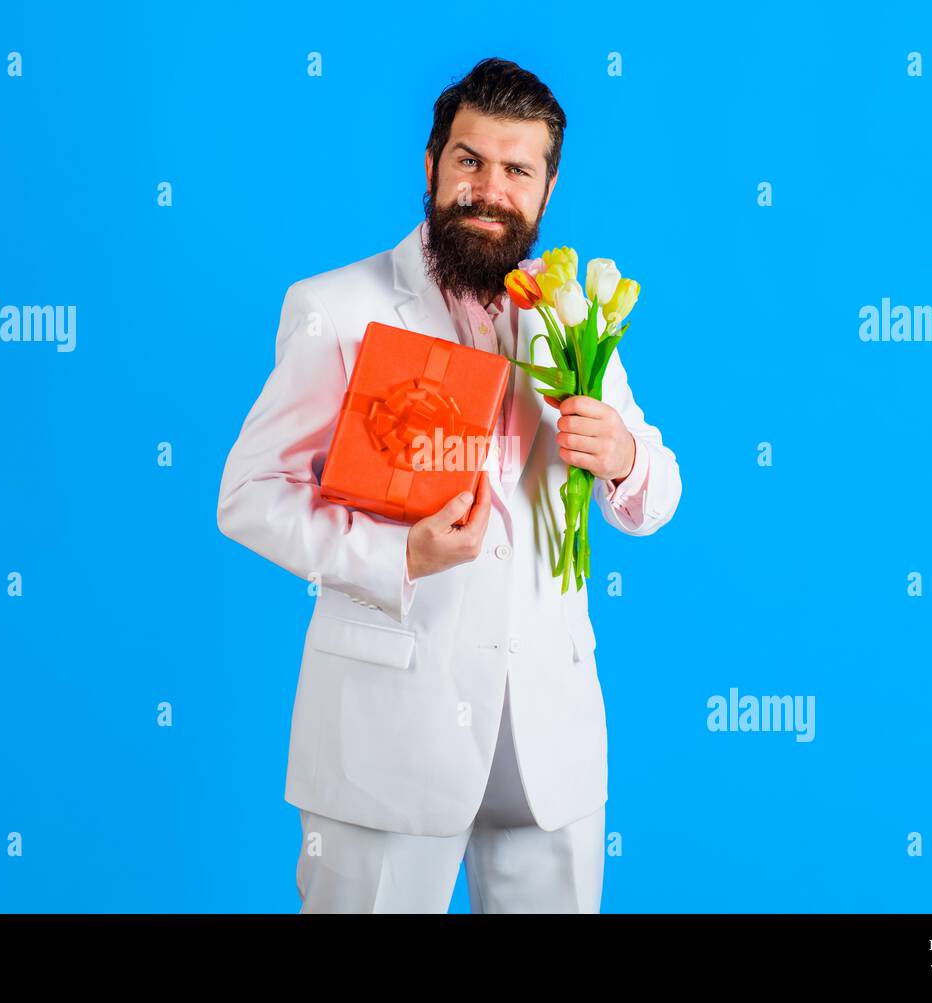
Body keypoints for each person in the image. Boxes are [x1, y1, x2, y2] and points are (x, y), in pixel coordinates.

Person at [216, 57, 682, 913]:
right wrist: (400, 555)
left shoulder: (569, 314)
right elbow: (249, 493)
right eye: (469, 161)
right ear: (431, 164)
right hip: (387, 734)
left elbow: (657, 495)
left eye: (517, 170)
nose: (488, 189)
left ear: (545, 190)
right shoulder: (337, 307)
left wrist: (623, 455)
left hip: (549, 740)